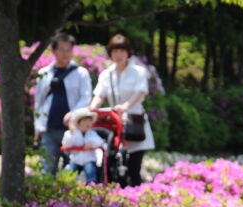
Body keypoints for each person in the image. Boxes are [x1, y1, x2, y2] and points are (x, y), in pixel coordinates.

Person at [89, 34, 155, 187]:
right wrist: (92, 109)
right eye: (115, 51)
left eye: (122, 51)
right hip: (114, 125)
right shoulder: (107, 74)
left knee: (133, 168)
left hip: (133, 124)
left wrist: (125, 107)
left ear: (128, 52)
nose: (118, 55)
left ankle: (136, 198)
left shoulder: (138, 71)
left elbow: (140, 93)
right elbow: (99, 95)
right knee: (110, 164)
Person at [34, 33, 92, 176]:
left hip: (73, 130)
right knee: (47, 169)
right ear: (53, 51)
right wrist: (37, 127)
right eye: (62, 49)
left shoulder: (81, 73)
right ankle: (47, 198)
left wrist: (73, 114)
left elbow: (86, 98)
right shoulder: (44, 73)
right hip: (49, 128)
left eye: (69, 50)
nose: (65, 54)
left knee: (72, 169)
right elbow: (39, 102)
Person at [62, 108, 103, 183]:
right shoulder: (73, 133)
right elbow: (66, 144)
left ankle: (92, 185)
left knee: (90, 170)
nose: (88, 123)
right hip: (76, 160)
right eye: (84, 121)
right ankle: (63, 185)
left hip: (89, 160)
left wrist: (91, 143)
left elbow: (99, 141)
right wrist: (70, 134)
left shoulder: (92, 134)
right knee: (67, 171)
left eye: (89, 121)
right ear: (78, 123)